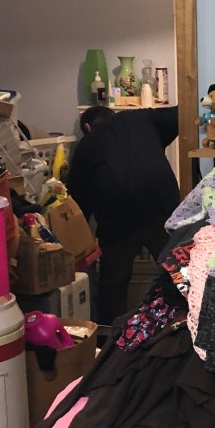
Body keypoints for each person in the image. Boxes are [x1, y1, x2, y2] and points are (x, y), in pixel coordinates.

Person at [67, 105, 180, 325]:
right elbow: (182, 113)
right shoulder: (142, 117)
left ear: (88, 127)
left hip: (118, 215)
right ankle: (187, 323)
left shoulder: (87, 144)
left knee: (113, 282)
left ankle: (110, 334)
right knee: (177, 270)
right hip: (159, 203)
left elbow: (78, 200)